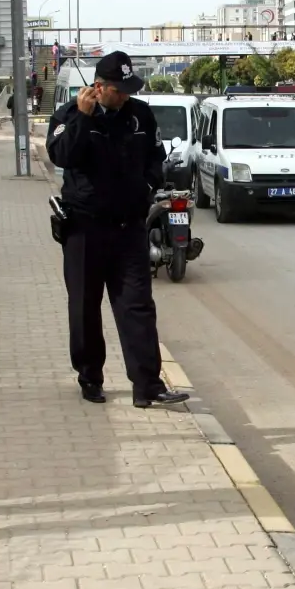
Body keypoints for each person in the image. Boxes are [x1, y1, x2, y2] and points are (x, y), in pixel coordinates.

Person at [46, 50, 189, 409]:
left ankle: (148, 385)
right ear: (99, 87)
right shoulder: (70, 115)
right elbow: (62, 156)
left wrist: (146, 189)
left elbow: (156, 159)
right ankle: (90, 377)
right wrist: (82, 117)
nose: (125, 95)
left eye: (129, 88)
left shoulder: (139, 114)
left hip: (128, 228)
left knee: (137, 306)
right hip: (84, 229)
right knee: (85, 307)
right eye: (118, 90)